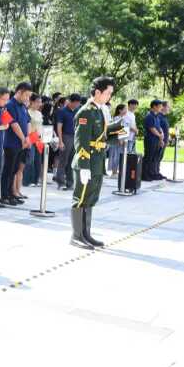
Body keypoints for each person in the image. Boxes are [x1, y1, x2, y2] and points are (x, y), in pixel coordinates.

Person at [70, 76, 125, 250]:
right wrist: (84, 166)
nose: (110, 96)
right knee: (81, 199)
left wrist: (119, 131)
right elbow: (81, 141)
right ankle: (76, 236)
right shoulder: (86, 112)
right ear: (98, 92)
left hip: (97, 161)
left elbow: (102, 136)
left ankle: (86, 234)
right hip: (87, 162)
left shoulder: (100, 111)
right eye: (108, 93)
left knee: (91, 198)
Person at [1, 82, 31, 206]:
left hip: (21, 144)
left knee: (14, 170)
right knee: (8, 170)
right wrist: (23, 138)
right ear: (19, 92)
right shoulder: (9, 105)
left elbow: (28, 121)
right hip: (11, 143)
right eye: (26, 95)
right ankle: (4, 196)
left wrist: (28, 137)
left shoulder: (23, 106)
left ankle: (11, 194)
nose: (27, 98)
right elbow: (13, 124)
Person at [53, 93, 80, 190]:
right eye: (76, 103)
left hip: (75, 137)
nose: (77, 105)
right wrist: (60, 141)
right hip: (65, 136)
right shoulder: (62, 111)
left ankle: (70, 182)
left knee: (72, 161)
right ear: (71, 102)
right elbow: (59, 126)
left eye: (78, 103)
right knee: (63, 160)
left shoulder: (78, 111)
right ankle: (60, 182)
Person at [24, 93, 44, 186]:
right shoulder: (27, 112)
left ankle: (35, 180)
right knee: (30, 159)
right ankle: (27, 180)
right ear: (31, 102)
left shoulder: (39, 113)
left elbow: (41, 126)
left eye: (40, 102)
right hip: (31, 137)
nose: (39, 104)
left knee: (38, 160)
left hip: (39, 138)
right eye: (37, 102)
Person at [143, 100, 165, 181]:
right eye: (159, 106)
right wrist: (160, 136)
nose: (161, 108)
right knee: (148, 157)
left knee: (154, 158)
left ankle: (152, 173)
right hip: (150, 140)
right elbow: (152, 129)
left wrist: (161, 136)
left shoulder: (157, 117)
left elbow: (159, 127)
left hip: (157, 140)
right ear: (154, 106)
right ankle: (145, 175)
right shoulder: (149, 116)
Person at [107, 104, 128, 176]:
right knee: (115, 155)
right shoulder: (117, 118)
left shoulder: (122, 118)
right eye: (125, 109)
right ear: (120, 110)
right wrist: (120, 139)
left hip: (121, 140)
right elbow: (117, 129)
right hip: (116, 140)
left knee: (118, 155)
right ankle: (114, 172)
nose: (126, 111)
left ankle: (116, 171)